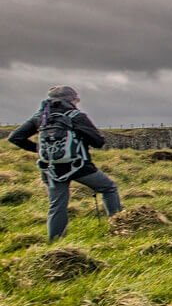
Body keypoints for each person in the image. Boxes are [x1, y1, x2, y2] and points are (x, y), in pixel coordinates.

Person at [7, 85, 122, 241]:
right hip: (79, 166)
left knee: (57, 205)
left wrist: (40, 150)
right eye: (76, 99)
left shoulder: (40, 117)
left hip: (51, 168)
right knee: (108, 188)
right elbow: (98, 142)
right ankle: (118, 227)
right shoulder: (76, 116)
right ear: (71, 99)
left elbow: (15, 138)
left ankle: (55, 241)